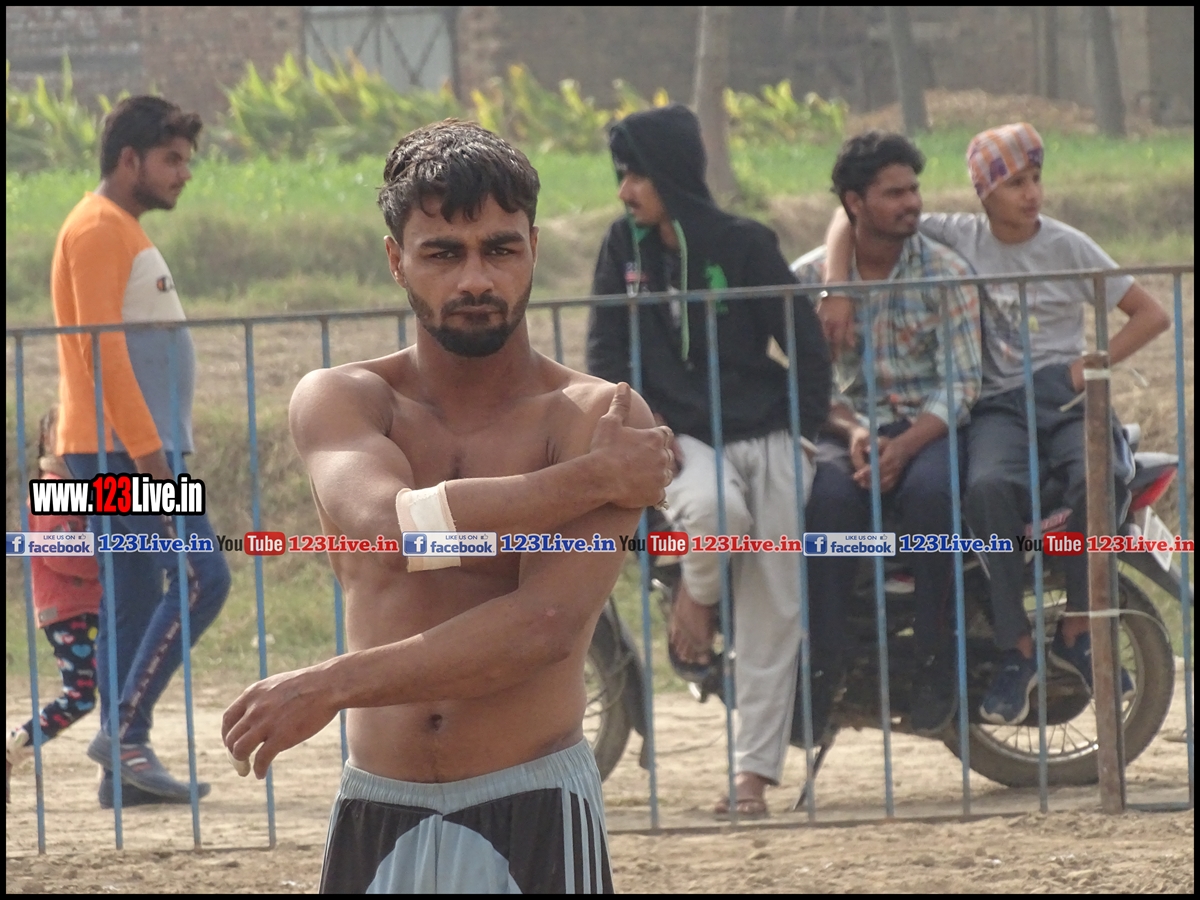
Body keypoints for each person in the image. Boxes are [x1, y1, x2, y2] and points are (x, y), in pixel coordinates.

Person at [221, 120, 674, 894]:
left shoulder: (597, 417)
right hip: (378, 807)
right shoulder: (343, 399)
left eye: (500, 249)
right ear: (396, 259)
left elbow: (542, 627)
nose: (475, 280)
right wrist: (588, 481)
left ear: (533, 248)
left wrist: (331, 685)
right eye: (442, 253)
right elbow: (393, 531)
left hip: (534, 806)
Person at [816, 122, 1170, 725]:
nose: (1031, 194)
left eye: (1036, 179)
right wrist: (836, 285)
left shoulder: (1068, 246)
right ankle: (1017, 647)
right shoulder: (957, 234)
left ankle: (1079, 630)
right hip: (998, 406)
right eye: (1014, 183)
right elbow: (846, 218)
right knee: (984, 490)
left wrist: (1085, 369)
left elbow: (1150, 313)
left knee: (1100, 478)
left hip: (1065, 399)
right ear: (983, 193)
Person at [586, 104, 832, 819]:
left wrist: (803, 437)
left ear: (669, 172)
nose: (625, 191)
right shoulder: (622, 248)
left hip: (767, 437)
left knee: (773, 611)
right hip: (676, 438)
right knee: (715, 512)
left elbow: (805, 346)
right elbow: (605, 351)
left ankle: (751, 779)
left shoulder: (744, 243)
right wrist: (639, 426)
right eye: (621, 176)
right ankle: (696, 599)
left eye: (636, 175)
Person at [52, 95, 231, 804]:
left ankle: (121, 774)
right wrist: (152, 453)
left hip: (117, 450)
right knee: (202, 578)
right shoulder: (99, 228)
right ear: (130, 160)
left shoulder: (116, 228)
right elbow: (102, 353)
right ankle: (125, 734)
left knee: (130, 599)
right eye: (171, 159)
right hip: (123, 454)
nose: (184, 173)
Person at [791, 131, 983, 738]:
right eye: (894, 193)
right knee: (824, 502)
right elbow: (802, 384)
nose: (912, 203)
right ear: (855, 203)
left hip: (926, 426)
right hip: (844, 428)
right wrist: (852, 430)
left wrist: (904, 445)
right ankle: (825, 665)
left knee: (932, 496)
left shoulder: (946, 272)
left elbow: (962, 383)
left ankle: (935, 660)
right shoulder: (808, 281)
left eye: (914, 189)